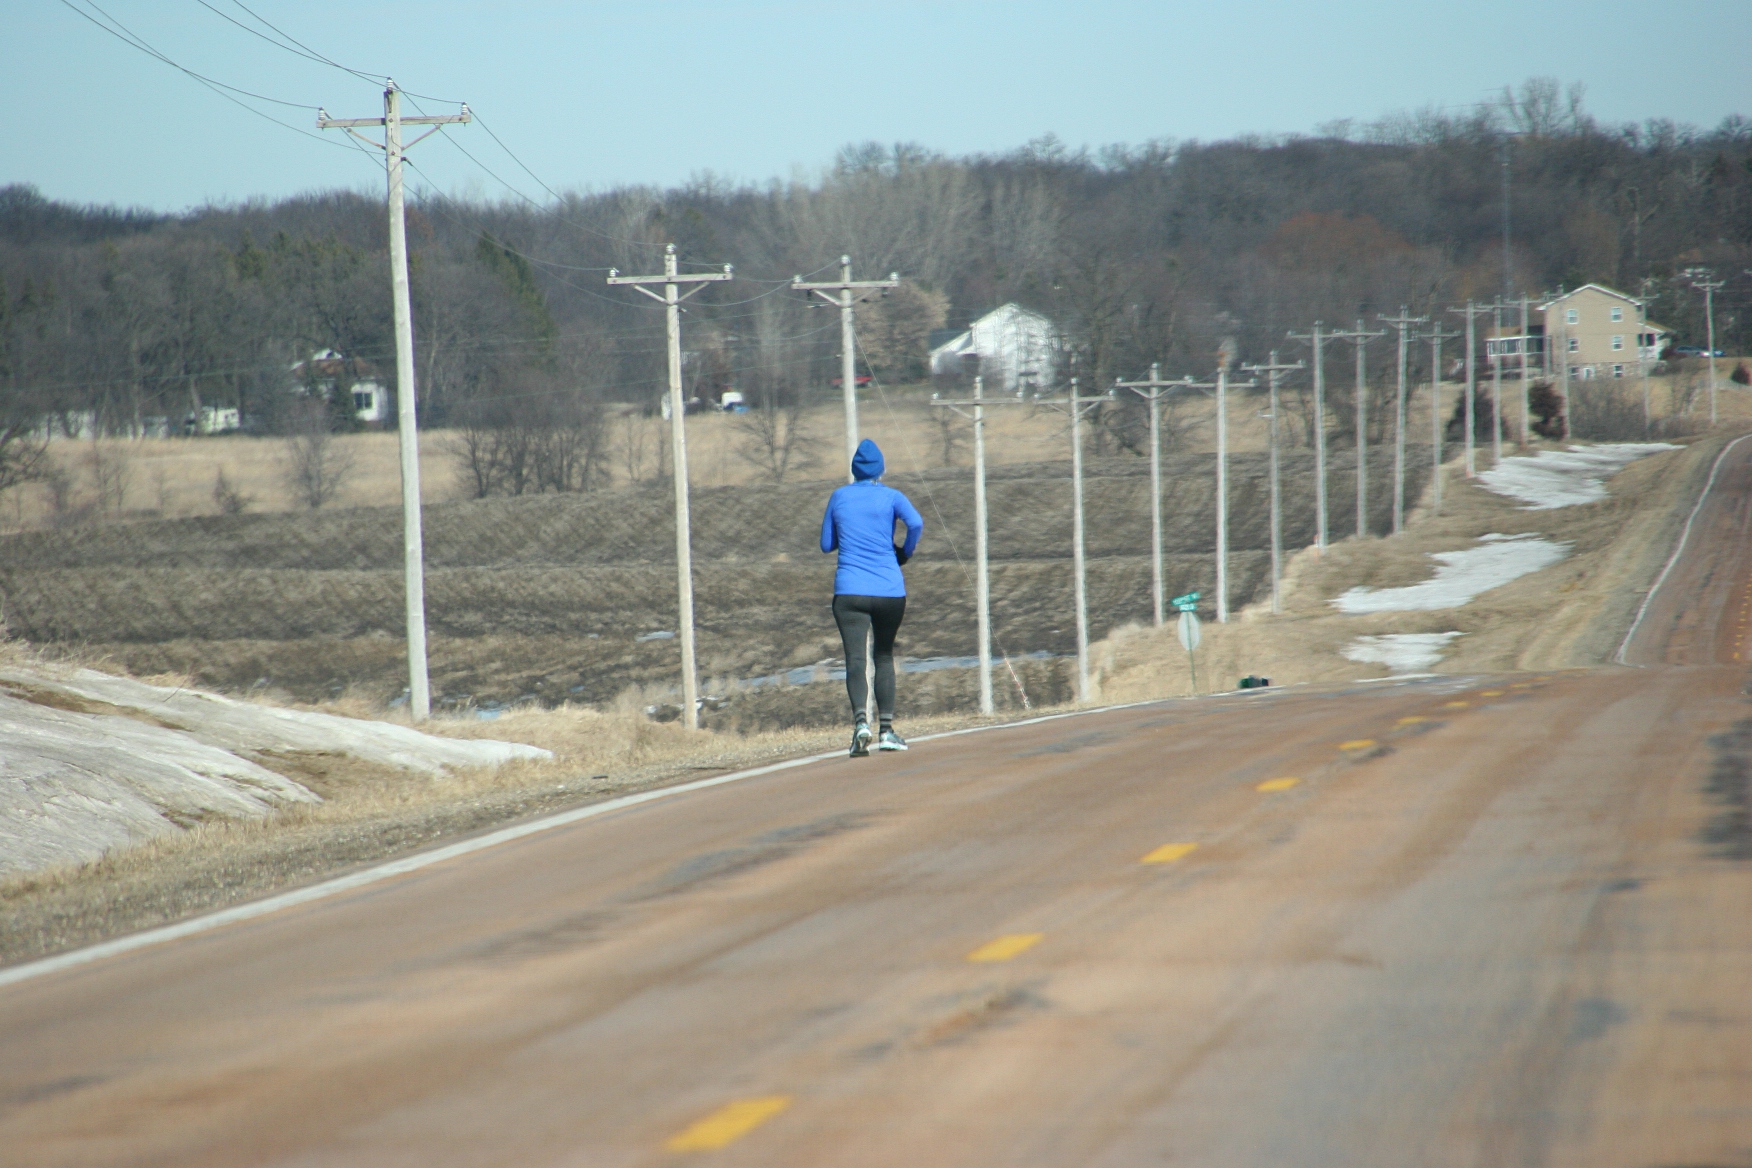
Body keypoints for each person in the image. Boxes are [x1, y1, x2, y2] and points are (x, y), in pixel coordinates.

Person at [820, 438, 923, 757]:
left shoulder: (839, 496)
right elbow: (916, 522)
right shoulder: (892, 496)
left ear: (854, 470)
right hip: (890, 591)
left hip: (849, 592)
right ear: (881, 470)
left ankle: (860, 724)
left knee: (855, 660)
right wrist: (904, 552)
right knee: (883, 656)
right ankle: (887, 731)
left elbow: (826, 545)